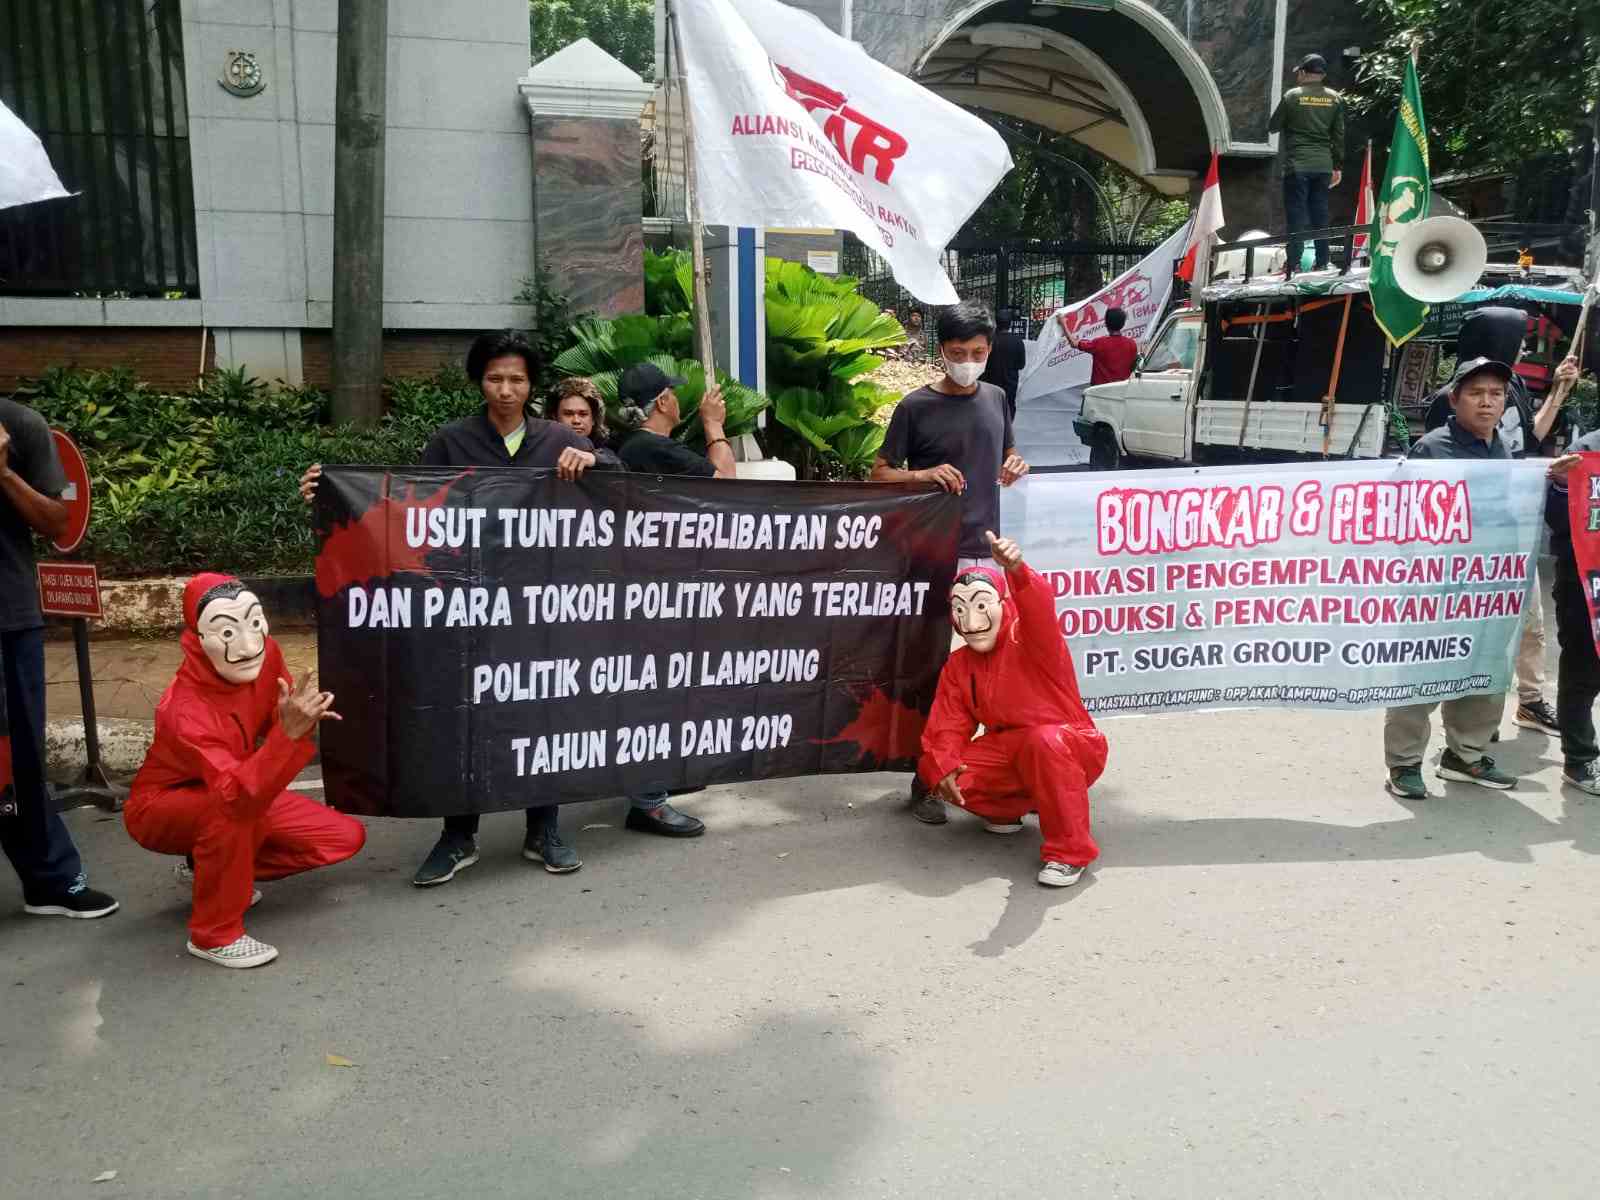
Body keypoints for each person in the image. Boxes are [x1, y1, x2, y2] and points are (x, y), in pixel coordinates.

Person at [301, 330, 609, 885]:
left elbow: (624, 488)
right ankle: (458, 835)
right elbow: (410, 507)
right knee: (464, 715)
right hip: (467, 608)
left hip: (542, 607)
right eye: (495, 379)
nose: (506, 390)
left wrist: (593, 458)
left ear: (532, 385)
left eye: (517, 379)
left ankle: (543, 829)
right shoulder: (451, 441)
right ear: (478, 382)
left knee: (540, 712)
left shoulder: (560, 438)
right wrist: (331, 496)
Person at [123, 575, 364, 968]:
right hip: (162, 807)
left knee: (343, 836)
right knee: (233, 815)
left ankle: (211, 871)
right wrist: (287, 736)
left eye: (254, 623)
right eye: (227, 632)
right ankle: (214, 934)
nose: (249, 646)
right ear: (198, 639)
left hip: (238, 783)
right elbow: (235, 796)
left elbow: (276, 723)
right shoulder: (185, 710)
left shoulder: (266, 656)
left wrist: (295, 721)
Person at [1384, 357, 1580, 798]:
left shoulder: (1502, 448)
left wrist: (1548, 478)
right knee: (1422, 672)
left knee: (1484, 670)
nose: (1487, 402)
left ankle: (1465, 754)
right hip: (1438, 587)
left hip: (1491, 586)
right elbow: (1407, 518)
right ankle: (1404, 763)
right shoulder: (1432, 449)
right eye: (1476, 393)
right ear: (1455, 400)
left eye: (1495, 394)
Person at [871, 300, 1030, 825]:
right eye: (958, 353)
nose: (967, 362)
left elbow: (1007, 456)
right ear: (941, 351)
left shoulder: (997, 397)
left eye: (977, 352)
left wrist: (1015, 464)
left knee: (995, 669)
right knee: (932, 668)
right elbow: (880, 473)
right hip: (930, 555)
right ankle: (926, 779)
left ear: (989, 350)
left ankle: (1002, 781)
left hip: (984, 555)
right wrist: (922, 475)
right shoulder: (915, 407)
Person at [920, 531, 1107, 886]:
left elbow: (1038, 608)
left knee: (1044, 742)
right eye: (959, 609)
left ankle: (1069, 852)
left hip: (1068, 745)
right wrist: (943, 764)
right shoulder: (959, 665)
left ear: (1004, 604)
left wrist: (1017, 570)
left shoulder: (1030, 639)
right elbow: (948, 725)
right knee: (942, 768)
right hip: (1008, 750)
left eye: (980, 605)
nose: (971, 622)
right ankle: (1010, 809)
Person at [1424, 309, 1579, 735]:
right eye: (1517, 338)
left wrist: (1559, 391)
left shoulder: (1514, 389)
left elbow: (1528, 441)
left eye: (1496, 394)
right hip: (1465, 546)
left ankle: (1528, 701)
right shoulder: (1449, 399)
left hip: (1512, 535)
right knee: (1468, 630)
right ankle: (1466, 714)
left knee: (1529, 624)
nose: (1489, 401)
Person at [0, 398, 119, 919]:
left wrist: (3, 473)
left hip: (8, 618)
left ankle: (50, 879)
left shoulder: (20, 425)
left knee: (19, 758)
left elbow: (57, 520)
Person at [1541, 357, 1600, 795]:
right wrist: (1562, 486)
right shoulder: (1586, 452)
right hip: (1585, 585)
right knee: (1583, 670)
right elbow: (1558, 521)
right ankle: (1579, 760)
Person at [1267, 53, 1346, 274]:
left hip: (1297, 166)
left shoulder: (1292, 96)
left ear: (1302, 73)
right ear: (1323, 75)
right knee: (1320, 213)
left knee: (1296, 215)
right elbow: (1339, 135)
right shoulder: (1335, 98)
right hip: (1323, 166)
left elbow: (1273, 126)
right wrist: (1337, 167)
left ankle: (1293, 264)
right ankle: (1322, 262)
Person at [615, 361, 737, 482]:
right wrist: (713, 423)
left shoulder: (628, 444)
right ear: (662, 402)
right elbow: (727, 484)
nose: (676, 399)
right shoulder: (659, 449)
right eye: (673, 393)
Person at [545, 376, 622, 468]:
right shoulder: (540, 448)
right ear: (554, 417)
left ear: (594, 419)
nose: (576, 421)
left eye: (583, 414)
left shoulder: (608, 451)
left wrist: (594, 459)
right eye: (568, 414)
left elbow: (621, 468)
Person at [1057, 305, 1140, 387]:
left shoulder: (1099, 343)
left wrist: (1063, 323)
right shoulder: (1132, 344)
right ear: (1123, 324)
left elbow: (1074, 343)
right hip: (1121, 391)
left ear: (1106, 323)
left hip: (1098, 392)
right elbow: (1133, 367)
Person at [980, 305, 1028, 420]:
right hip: (1010, 383)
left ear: (996, 323)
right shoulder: (1017, 341)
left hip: (990, 382)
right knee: (1008, 408)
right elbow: (1021, 365)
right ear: (1010, 324)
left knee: (991, 408)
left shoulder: (989, 341)